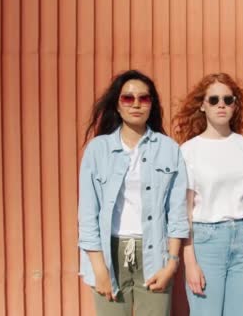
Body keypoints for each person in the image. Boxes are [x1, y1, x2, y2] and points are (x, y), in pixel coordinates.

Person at [78, 70, 189, 316]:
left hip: (154, 252)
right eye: (128, 98)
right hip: (110, 253)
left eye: (144, 98)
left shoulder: (170, 150)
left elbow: (177, 214)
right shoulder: (98, 151)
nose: (136, 104)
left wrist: (171, 265)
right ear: (117, 105)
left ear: (152, 104)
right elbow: (87, 215)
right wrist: (100, 269)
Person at [173, 73, 243, 316]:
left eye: (228, 99)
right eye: (213, 100)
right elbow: (185, 210)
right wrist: (190, 261)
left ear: (235, 105)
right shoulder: (189, 151)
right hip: (207, 243)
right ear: (203, 106)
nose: (221, 105)